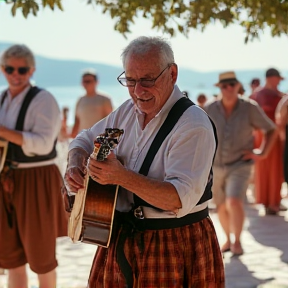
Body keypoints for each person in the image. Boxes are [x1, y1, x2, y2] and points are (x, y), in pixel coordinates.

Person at [64, 36, 225, 288]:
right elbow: (84, 138)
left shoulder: (193, 124)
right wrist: (75, 163)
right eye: (130, 80)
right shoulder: (127, 110)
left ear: (172, 74)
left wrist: (120, 176)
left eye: (148, 80)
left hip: (173, 243)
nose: (138, 90)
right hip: (121, 238)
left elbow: (177, 199)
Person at [0, 44, 67, 288]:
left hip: (36, 177)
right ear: (2, 69)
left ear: (31, 70)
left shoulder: (43, 99)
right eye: (9, 68)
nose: (15, 74)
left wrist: (4, 132)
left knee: (41, 257)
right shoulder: (2, 99)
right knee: (11, 257)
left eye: (22, 69)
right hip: (6, 177)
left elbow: (43, 143)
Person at [204, 71, 277, 256]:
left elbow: (271, 129)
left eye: (231, 84)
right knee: (220, 206)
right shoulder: (209, 108)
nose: (228, 88)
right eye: (224, 85)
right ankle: (228, 239)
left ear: (238, 86)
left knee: (234, 201)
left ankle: (237, 241)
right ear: (219, 88)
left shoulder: (249, 108)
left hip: (240, 164)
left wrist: (261, 152)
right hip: (215, 165)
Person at [250, 68, 285, 214]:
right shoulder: (258, 94)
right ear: (272, 78)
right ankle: (266, 201)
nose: (279, 83)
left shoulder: (278, 95)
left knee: (276, 170)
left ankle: (273, 201)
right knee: (264, 169)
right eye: (278, 79)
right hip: (263, 136)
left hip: (275, 136)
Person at [70, 68, 113, 138]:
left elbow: (110, 122)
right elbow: (77, 121)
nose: (86, 84)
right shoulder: (80, 100)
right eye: (84, 81)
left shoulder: (104, 99)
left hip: (99, 141)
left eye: (88, 81)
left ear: (96, 82)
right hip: (84, 140)